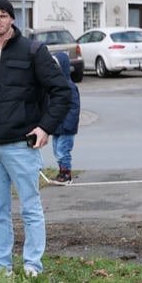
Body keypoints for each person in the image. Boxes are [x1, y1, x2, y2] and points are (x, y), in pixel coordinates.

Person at [0, 0, 72, 276]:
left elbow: (61, 91)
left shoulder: (32, 51)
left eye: (2, 15)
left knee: (30, 209)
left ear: (12, 19)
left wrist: (45, 128)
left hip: (21, 146)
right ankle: (1, 269)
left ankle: (32, 265)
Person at [50, 51, 80, 184]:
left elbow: (74, 108)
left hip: (66, 128)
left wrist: (68, 125)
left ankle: (66, 174)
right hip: (56, 127)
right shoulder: (54, 87)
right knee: (57, 151)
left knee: (63, 151)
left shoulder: (70, 87)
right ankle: (61, 171)